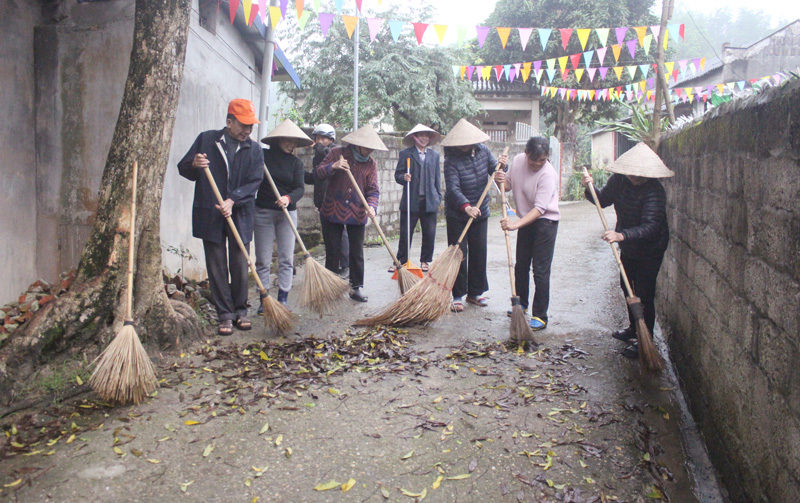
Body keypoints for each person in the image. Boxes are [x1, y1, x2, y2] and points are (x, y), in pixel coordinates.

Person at [177, 98, 264, 336]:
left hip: (240, 213)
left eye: (251, 126)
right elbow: (183, 168)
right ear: (229, 121)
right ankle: (224, 314)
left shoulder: (254, 149)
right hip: (211, 212)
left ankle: (240, 310)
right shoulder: (207, 139)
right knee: (216, 265)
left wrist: (233, 199)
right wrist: (194, 163)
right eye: (243, 125)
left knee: (239, 262)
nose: (247, 130)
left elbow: (255, 181)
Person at [580, 142, 673, 359]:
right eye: (631, 173)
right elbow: (602, 200)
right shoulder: (620, 180)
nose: (634, 177)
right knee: (626, 285)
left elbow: (650, 227)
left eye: (639, 175)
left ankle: (645, 338)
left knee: (644, 293)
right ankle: (633, 327)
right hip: (629, 245)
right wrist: (589, 187)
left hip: (651, 248)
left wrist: (621, 235)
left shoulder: (655, 192)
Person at [440, 118, 508, 312]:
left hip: (481, 211)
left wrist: (502, 168)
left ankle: (475, 293)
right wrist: (466, 207)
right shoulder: (451, 160)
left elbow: (495, 172)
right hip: (458, 214)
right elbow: (452, 189)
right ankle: (457, 295)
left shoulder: (483, 151)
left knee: (479, 252)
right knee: (458, 254)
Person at [314, 125, 387, 302]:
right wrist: (334, 166)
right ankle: (330, 287)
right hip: (332, 209)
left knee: (356, 252)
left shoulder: (371, 163)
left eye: (372, 148)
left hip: (357, 212)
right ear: (358, 144)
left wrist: (372, 206)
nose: (369, 151)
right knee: (333, 250)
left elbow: (373, 190)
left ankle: (356, 288)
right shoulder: (338, 153)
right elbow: (319, 173)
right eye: (367, 147)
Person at [494, 137, 560, 331]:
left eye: (542, 159)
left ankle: (540, 315)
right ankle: (521, 304)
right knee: (521, 264)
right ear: (526, 153)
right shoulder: (518, 161)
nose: (537, 164)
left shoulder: (548, 174)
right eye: (534, 159)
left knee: (540, 269)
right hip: (526, 219)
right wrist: (500, 180)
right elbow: (507, 186)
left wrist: (515, 225)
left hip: (546, 222)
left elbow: (540, 209)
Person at [254, 119, 311, 313]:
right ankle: (264, 299)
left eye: (294, 142)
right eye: (287, 140)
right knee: (262, 259)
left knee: (286, 258)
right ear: (278, 140)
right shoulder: (262, 157)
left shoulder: (296, 163)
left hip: (287, 214)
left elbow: (300, 188)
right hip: (263, 211)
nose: (291, 144)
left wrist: (288, 198)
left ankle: (283, 298)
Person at [389, 124, 442, 274]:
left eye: (427, 135)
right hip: (411, 200)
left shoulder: (434, 156)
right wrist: (403, 177)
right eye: (421, 135)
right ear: (414, 137)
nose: (424, 138)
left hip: (430, 200)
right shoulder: (406, 154)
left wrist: (438, 197)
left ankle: (425, 261)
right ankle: (401, 260)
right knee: (406, 232)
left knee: (429, 233)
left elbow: (437, 178)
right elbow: (397, 175)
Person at [305, 124, 349, 278]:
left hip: (335, 200)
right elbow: (317, 176)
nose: (319, 141)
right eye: (317, 137)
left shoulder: (335, 151)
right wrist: (300, 175)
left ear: (331, 138)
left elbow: (326, 153)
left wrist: (317, 146)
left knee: (340, 233)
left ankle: (346, 264)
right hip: (322, 201)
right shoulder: (318, 156)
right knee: (329, 237)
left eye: (322, 138)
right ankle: (332, 267)